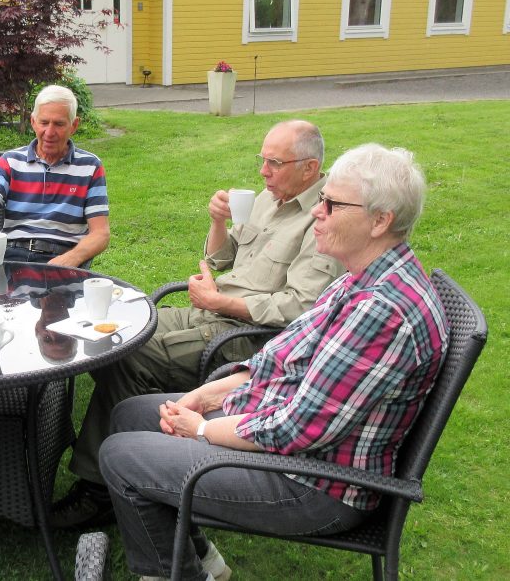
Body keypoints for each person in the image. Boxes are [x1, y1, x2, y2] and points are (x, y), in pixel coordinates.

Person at [98, 144, 449, 581]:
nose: (317, 212)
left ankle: (174, 574)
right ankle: (204, 563)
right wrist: (202, 396)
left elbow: (298, 428)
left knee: (120, 454)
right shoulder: (363, 276)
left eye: (332, 204)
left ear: (381, 221)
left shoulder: (381, 311)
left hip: (314, 486)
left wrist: (203, 429)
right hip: (290, 444)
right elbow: (280, 355)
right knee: (130, 414)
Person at [53, 119, 345, 529]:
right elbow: (221, 259)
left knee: (126, 356)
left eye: (274, 163)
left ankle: (100, 488)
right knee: (116, 330)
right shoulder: (268, 196)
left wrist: (220, 300)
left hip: (247, 338)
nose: (263, 171)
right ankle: (134, 445)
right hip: (211, 311)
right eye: (262, 160)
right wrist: (218, 223)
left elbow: (302, 307)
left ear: (310, 168)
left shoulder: (319, 222)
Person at [0, 85, 110, 267]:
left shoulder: (90, 167)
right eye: (44, 122)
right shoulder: (10, 161)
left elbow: (100, 233)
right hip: (11, 258)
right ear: (33, 122)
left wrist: (70, 259)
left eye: (59, 124)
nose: (49, 132)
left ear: (74, 126)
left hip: (62, 258)